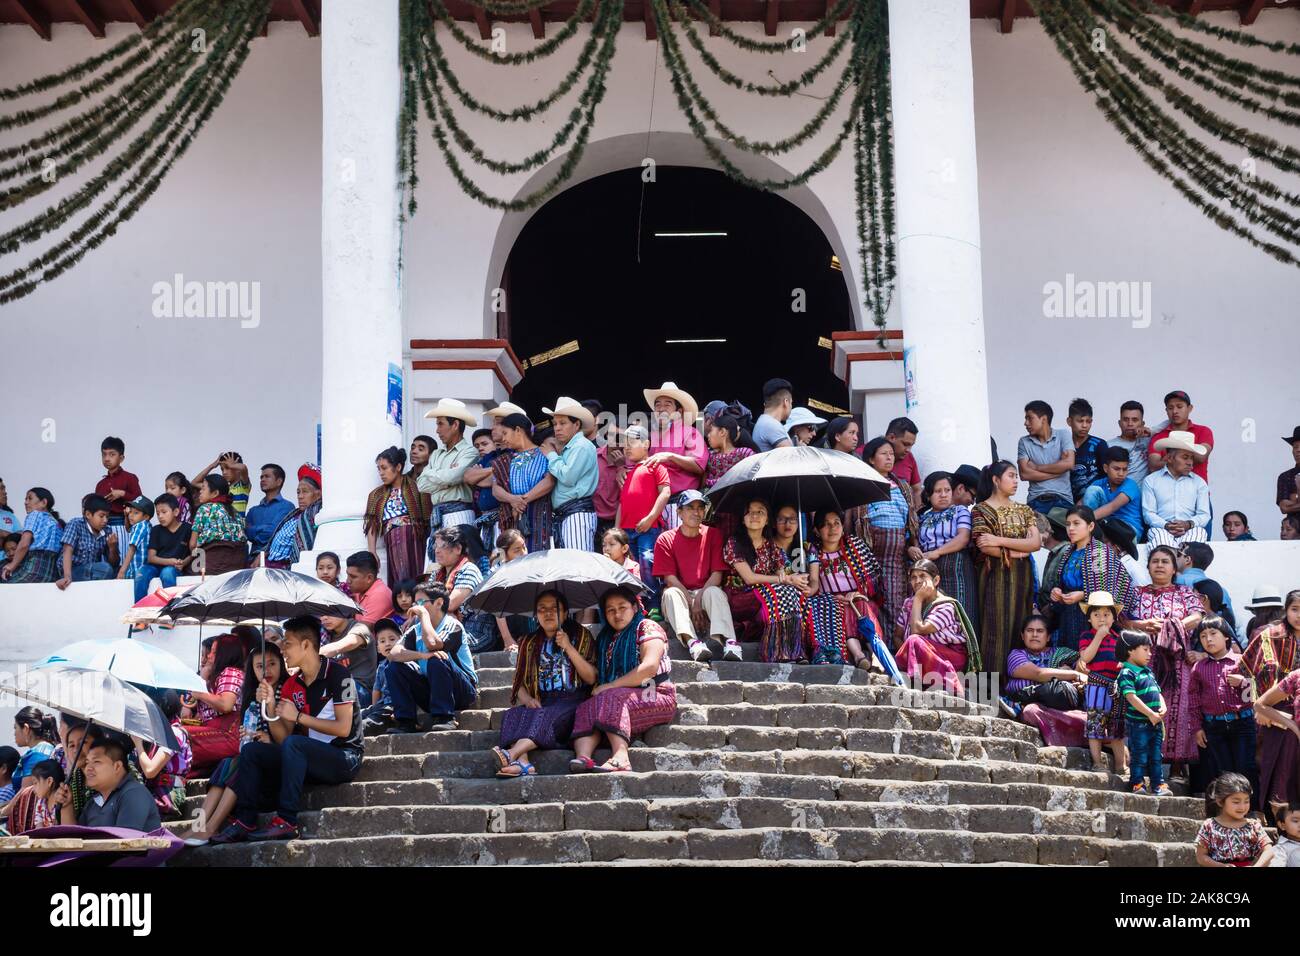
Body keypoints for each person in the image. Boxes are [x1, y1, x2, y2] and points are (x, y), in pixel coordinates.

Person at [210, 615, 364, 843]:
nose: (283, 650)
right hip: (308, 756)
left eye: (288, 644)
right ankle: (245, 820)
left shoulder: (339, 675)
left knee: (296, 743)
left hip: (344, 756)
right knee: (251, 751)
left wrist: (299, 717)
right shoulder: (293, 684)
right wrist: (271, 704)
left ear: (306, 645)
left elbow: (343, 729)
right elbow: (283, 741)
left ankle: (287, 820)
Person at [185, 641, 286, 845]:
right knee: (226, 764)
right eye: (260, 666)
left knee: (239, 763)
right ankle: (197, 827)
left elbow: (288, 738)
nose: (267, 671)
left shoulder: (285, 691)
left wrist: (269, 730)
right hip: (254, 761)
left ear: (282, 666)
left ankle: (211, 828)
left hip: (276, 767)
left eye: (273, 664)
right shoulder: (253, 695)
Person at [568, 586, 676, 773]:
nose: (617, 614)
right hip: (623, 695)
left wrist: (610, 686)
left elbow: (649, 667)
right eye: (610, 610)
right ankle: (583, 758)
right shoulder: (605, 638)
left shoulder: (647, 627)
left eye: (622, 607)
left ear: (634, 607)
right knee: (585, 705)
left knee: (611, 697)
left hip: (655, 693)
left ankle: (621, 757)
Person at [492, 591, 596, 778]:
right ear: (536, 615)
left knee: (548, 715)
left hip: (574, 699)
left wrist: (568, 647)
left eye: (554, 609)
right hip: (543, 700)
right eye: (542, 609)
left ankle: (511, 753)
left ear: (565, 613)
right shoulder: (528, 642)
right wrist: (529, 699)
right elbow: (519, 683)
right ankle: (523, 763)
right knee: (514, 714)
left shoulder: (581, 635)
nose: (548, 613)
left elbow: (591, 678)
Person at [1130, 544, 1205, 771]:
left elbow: (1198, 615)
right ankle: (1141, 765)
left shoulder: (1185, 593)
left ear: (1174, 569)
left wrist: (1172, 628)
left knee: (1178, 711)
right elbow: (1124, 620)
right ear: (1148, 567)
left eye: (1165, 562)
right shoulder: (1137, 593)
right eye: (1155, 561)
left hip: (1177, 664)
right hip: (1143, 662)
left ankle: (1176, 766)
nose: (1159, 565)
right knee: (1144, 707)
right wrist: (1142, 625)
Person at [971, 461, 1041, 678]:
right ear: (995, 480)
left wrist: (999, 539)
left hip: (1022, 577)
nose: (1016, 481)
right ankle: (990, 688)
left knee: (1020, 623)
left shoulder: (1024, 509)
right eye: (1011, 475)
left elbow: (1035, 544)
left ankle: (1015, 683)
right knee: (994, 628)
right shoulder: (980, 509)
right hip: (995, 577)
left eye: (1017, 476)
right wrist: (1019, 551)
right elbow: (985, 546)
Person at [654, 489, 739, 663]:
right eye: (690, 507)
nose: (696, 512)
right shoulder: (665, 539)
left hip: (706, 592)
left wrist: (698, 601)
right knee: (670, 593)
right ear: (679, 512)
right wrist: (692, 603)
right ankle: (693, 643)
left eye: (700, 507)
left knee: (714, 592)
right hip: (681, 592)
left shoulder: (713, 534)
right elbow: (670, 579)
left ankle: (730, 642)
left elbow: (717, 574)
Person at [1038, 505, 1136, 652]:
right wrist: (1057, 592)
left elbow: (1106, 591)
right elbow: (1063, 583)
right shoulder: (1068, 553)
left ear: (1090, 526)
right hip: (1068, 616)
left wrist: (1082, 595)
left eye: (1076, 523)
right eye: (1068, 524)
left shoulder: (1099, 553)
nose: (1071, 528)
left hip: (1092, 618)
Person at [382, 584, 478, 734]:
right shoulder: (416, 629)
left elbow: (433, 644)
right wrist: (421, 655)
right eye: (416, 603)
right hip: (432, 690)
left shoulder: (453, 625)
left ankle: (445, 718)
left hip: (462, 692)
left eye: (421, 602)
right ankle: (406, 721)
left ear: (439, 603)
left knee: (437, 659)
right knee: (394, 667)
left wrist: (424, 616)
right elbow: (393, 654)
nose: (416, 607)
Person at [722, 498, 809, 662]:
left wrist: (794, 581)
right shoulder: (734, 543)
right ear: (743, 518)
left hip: (763, 600)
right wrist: (784, 580)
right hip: (739, 598)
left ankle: (794, 649)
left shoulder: (771, 546)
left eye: (760, 511)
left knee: (793, 593)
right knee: (778, 590)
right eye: (750, 511)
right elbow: (749, 578)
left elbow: (782, 575)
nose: (754, 515)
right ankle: (775, 650)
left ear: (768, 519)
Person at [804, 507, 885, 668]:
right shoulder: (813, 552)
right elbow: (814, 583)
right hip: (831, 603)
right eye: (826, 524)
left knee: (860, 605)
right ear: (817, 531)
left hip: (861, 599)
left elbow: (873, 578)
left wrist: (857, 593)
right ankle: (858, 655)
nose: (833, 528)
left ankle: (876, 654)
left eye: (837, 523)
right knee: (843, 608)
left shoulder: (854, 545)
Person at [1243, 591, 1300, 815]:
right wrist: (1257, 706)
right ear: (1286, 610)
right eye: (1295, 609)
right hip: (1275, 711)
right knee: (1280, 765)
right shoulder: (1270, 635)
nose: (1299, 615)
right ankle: (1279, 816)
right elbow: (1248, 673)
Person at [1188, 617, 1256, 800]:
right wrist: (1197, 728)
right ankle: (1227, 809)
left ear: (1226, 637)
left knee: (1245, 767)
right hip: (1214, 727)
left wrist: (1245, 682)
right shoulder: (1199, 668)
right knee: (1222, 770)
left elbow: (1259, 693)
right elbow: (1193, 700)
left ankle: (1252, 810)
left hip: (1242, 722)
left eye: (1213, 633)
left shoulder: (1241, 661)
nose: (1208, 639)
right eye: (1203, 636)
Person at [862, 436, 922, 638]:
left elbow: (909, 521)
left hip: (897, 555)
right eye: (883, 454)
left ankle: (897, 648)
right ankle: (880, 648)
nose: (889, 458)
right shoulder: (864, 483)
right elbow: (857, 520)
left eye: (891, 454)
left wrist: (910, 544)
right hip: (871, 552)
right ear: (871, 459)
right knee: (876, 599)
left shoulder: (902, 486)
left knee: (897, 601)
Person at [894, 559, 981, 697]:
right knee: (908, 647)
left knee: (915, 640)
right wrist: (910, 652)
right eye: (913, 577)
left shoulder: (945, 606)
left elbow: (918, 630)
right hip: (924, 653)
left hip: (951, 657)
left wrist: (918, 599)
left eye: (922, 576)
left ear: (935, 581)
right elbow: (897, 636)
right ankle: (921, 675)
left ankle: (950, 683)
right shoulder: (908, 603)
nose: (917, 581)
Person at [54, 733, 162, 832]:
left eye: (96, 761)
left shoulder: (134, 793)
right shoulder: (93, 803)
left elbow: (125, 845)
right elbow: (76, 838)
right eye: (87, 762)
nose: (88, 768)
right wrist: (66, 806)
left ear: (117, 766)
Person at [1001, 614, 1085, 738]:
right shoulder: (1016, 654)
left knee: (1058, 691)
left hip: (1059, 701)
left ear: (1048, 637)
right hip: (1033, 701)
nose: (1034, 634)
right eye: (1030, 631)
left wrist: (1078, 671)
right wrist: (1073, 674)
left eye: (1040, 631)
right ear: (1022, 636)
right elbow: (1038, 674)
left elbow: (1083, 664)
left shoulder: (1061, 653)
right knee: (1037, 704)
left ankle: (1023, 705)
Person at [616, 424, 671, 604]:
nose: (626, 447)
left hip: (647, 528)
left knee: (647, 563)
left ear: (646, 443)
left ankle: (654, 605)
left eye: (631, 442)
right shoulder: (628, 473)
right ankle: (637, 606)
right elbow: (622, 504)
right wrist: (617, 531)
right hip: (626, 531)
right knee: (630, 569)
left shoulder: (655, 466)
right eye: (624, 443)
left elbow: (665, 492)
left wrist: (650, 518)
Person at [917, 472, 978, 631]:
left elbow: (963, 538)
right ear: (929, 495)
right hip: (929, 569)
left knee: (961, 611)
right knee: (932, 612)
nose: (943, 495)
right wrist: (913, 549)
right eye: (938, 491)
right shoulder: (922, 517)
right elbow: (915, 541)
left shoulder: (960, 511)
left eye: (947, 490)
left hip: (957, 567)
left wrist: (937, 552)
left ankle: (966, 654)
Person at [644, 382, 708, 530]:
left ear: (678, 411)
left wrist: (670, 456)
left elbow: (699, 466)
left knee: (680, 547)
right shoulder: (651, 435)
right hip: (654, 505)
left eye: (667, 405)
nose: (661, 409)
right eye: (658, 405)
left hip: (681, 504)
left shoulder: (690, 432)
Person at [1077, 592, 1128, 774]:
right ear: (1089, 619)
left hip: (1116, 687)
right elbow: (1086, 657)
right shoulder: (1087, 636)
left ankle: (1121, 765)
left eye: (1106, 615)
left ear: (1114, 618)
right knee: (1095, 724)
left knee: (1117, 728)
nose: (1102, 619)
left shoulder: (1118, 639)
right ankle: (1098, 763)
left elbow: (1126, 661)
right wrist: (1098, 637)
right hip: (1096, 685)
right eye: (1096, 615)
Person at [365, 446, 431, 588]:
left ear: (398, 467)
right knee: (399, 579)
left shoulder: (416, 486)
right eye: (379, 469)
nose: (381, 473)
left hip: (414, 540)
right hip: (392, 539)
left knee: (416, 577)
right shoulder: (376, 495)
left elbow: (426, 516)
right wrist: (372, 551)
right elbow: (372, 524)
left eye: (384, 468)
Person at [1116, 630, 1172, 796]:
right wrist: (1149, 713)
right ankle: (1137, 783)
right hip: (1138, 722)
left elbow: (1158, 692)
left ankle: (1158, 785)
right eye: (1145, 649)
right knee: (1139, 755)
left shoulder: (1148, 672)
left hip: (1154, 722)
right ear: (1130, 650)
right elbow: (1131, 697)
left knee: (1156, 756)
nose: (1149, 654)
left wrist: (1163, 707)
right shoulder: (1127, 672)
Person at [541, 397, 599, 550]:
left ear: (577, 424)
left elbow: (568, 477)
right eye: (555, 424)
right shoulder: (572, 447)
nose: (557, 428)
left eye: (563, 423)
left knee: (578, 565)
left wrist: (551, 454)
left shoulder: (581, 446)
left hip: (577, 513)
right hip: (570, 513)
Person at [185, 633, 246, 776]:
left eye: (213, 652)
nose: (209, 657)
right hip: (214, 733)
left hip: (229, 735)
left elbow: (226, 704)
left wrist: (199, 693)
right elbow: (185, 712)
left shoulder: (231, 672)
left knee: (178, 735)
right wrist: (202, 678)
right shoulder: (212, 677)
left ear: (225, 654)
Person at [430, 524, 497, 653]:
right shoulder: (437, 574)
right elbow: (422, 601)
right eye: (435, 546)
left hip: (474, 634)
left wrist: (426, 610)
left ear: (458, 549)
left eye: (442, 546)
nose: (437, 551)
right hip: (449, 630)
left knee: (430, 643)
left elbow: (449, 605)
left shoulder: (469, 569)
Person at [494, 412, 555, 553]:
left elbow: (550, 480)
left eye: (505, 433)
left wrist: (522, 501)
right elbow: (495, 488)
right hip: (514, 516)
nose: (503, 439)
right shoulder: (506, 459)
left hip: (540, 514)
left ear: (518, 430)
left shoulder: (544, 452)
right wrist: (512, 499)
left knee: (539, 557)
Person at [416, 398, 479, 532]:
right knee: (437, 552)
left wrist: (430, 473)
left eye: (440, 424)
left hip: (460, 513)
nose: (437, 430)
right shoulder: (436, 453)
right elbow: (421, 484)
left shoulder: (470, 451)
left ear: (455, 425)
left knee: (458, 551)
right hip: (437, 513)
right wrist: (447, 477)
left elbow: (453, 477)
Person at [1142, 432, 1211, 546]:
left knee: (1199, 533)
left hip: (1190, 529)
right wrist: (1166, 525)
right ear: (1169, 458)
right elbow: (1148, 513)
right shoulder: (1151, 480)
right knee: (1159, 536)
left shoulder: (1199, 483)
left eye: (1191, 458)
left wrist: (1188, 524)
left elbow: (1204, 515)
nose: (1190, 462)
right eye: (1185, 457)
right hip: (1162, 528)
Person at [133, 690, 191, 818]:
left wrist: (138, 743)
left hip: (169, 793)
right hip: (152, 790)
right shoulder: (154, 734)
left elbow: (150, 771)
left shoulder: (174, 733)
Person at [1195, 772, 1273, 867]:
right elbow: (1201, 856)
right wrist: (1221, 866)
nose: (1242, 807)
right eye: (1236, 802)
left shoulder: (1253, 825)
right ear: (1220, 801)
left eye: (1246, 801)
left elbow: (1269, 851)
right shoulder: (1209, 825)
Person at [1017, 400, 1075, 515]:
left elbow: (1069, 464)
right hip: (1036, 500)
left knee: (1070, 531)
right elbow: (1024, 474)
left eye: (1030, 418)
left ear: (1043, 419)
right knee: (1037, 532)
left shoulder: (1063, 435)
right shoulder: (1024, 442)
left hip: (1063, 500)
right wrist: (1058, 471)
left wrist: (1036, 467)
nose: (1026, 423)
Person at [264, 464, 323, 569]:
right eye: (298, 492)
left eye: (305, 492)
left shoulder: (314, 516)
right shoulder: (294, 515)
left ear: (318, 495)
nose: (300, 496)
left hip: (287, 570)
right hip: (271, 566)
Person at [1148, 390, 1214, 484]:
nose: (1175, 411)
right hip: (1166, 494)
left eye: (1179, 406)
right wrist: (1186, 456)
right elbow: (1153, 466)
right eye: (1170, 408)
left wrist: (1170, 459)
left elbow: (1200, 456)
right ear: (1166, 411)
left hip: (1199, 494)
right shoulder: (1158, 436)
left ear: (1190, 408)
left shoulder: (1203, 431)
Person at [189, 473, 247, 574]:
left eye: (203, 488)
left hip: (212, 564)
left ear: (215, 493)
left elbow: (193, 545)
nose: (200, 492)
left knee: (187, 572)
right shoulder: (235, 512)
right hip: (237, 565)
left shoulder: (205, 509)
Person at [1081, 446, 1143, 541]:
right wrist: (1074, 519)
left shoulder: (1131, 485)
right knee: (1092, 490)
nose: (1121, 474)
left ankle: (1087, 530)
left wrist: (1083, 520)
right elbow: (1081, 504)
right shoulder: (1098, 484)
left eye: (1124, 469)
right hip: (1106, 526)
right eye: (1116, 469)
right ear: (1106, 468)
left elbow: (1112, 507)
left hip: (1129, 529)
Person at [55, 494, 116, 589]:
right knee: (105, 569)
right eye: (101, 516)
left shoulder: (107, 530)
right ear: (88, 514)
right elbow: (67, 550)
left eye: (107, 517)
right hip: (71, 571)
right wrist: (67, 577)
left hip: (92, 572)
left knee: (113, 570)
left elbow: (113, 563)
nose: (105, 520)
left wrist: (112, 548)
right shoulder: (76, 524)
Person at [243, 464, 293, 561]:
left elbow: (274, 533)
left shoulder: (287, 507)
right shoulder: (253, 511)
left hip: (275, 562)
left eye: (267, 476)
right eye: (261, 477)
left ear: (279, 481)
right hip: (252, 562)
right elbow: (246, 533)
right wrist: (265, 528)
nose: (262, 479)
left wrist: (254, 530)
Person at [94, 436, 143, 537]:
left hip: (123, 524)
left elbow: (140, 502)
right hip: (103, 526)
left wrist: (122, 494)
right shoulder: (100, 484)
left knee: (122, 552)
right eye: (104, 455)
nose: (107, 458)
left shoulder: (130, 478)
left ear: (121, 458)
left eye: (112, 454)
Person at [1065, 398, 1108, 502]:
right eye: (1080, 421)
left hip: (1094, 500)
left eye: (1088, 421)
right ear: (1069, 421)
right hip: (1067, 501)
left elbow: (1107, 478)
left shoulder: (1099, 445)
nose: (1084, 426)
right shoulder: (1063, 445)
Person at [6, 758, 64, 835]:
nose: (33, 789)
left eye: (35, 783)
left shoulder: (61, 801)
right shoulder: (41, 803)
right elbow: (39, 829)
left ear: (49, 781)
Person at [11, 707, 59, 790]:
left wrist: (8, 804)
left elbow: (25, 793)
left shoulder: (37, 755)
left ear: (26, 729)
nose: (14, 733)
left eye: (16, 728)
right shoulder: (46, 747)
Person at [345, 549, 394, 629]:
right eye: (348, 575)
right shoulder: (358, 590)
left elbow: (361, 632)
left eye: (353, 577)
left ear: (369, 578)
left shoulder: (379, 594)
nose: (348, 581)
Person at [117, 495, 154, 598]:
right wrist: (126, 516)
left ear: (146, 517)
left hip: (138, 570)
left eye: (136, 513)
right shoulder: (144, 525)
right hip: (137, 571)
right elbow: (128, 528)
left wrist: (122, 571)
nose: (131, 515)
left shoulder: (140, 526)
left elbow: (132, 548)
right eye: (131, 512)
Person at [194, 451, 252, 516]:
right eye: (222, 469)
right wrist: (212, 466)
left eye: (228, 468)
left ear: (237, 468)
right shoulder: (222, 488)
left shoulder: (243, 486)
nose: (224, 472)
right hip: (222, 523)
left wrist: (232, 465)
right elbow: (195, 483)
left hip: (237, 524)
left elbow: (243, 468)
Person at [1110, 400, 1151, 486]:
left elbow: (1169, 425)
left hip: (1144, 496)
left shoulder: (1149, 441)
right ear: (1119, 423)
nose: (1130, 424)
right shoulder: (1109, 446)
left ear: (1142, 424)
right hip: (1119, 496)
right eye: (1125, 419)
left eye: (1134, 420)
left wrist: (1152, 431)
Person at [885, 417, 922, 508]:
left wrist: (917, 515)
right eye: (905, 444)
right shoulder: (866, 453)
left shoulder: (909, 457)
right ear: (891, 437)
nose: (908, 450)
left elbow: (917, 490)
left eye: (911, 446)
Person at [752, 377, 794, 452]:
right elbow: (791, 458)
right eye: (791, 403)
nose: (791, 406)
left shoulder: (764, 421)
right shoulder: (771, 425)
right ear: (786, 402)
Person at [1277, 426, 1300, 519]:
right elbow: (1284, 507)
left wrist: (1295, 498)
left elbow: (1289, 506)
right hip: (1294, 531)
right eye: (1295, 447)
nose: (1298, 450)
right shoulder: (1285, 476)